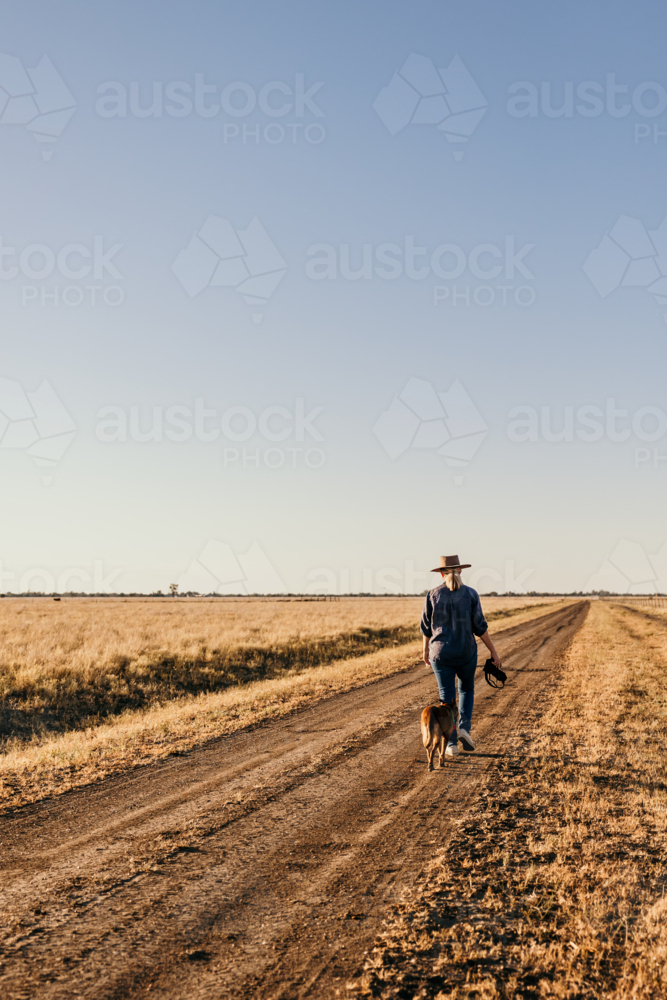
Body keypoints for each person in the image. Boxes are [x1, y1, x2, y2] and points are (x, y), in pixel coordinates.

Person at [420, 554, 502, 757]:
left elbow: (426, 628)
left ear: (441, 573)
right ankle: (464, 727)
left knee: (446, 698)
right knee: (466, 690)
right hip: (466, 651)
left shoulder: (432, 595)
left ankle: (452, 744)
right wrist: (493, 651)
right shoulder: (471, 594)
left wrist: (425, 651)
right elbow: (480, 627)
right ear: (461, 571)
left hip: (440, 653)